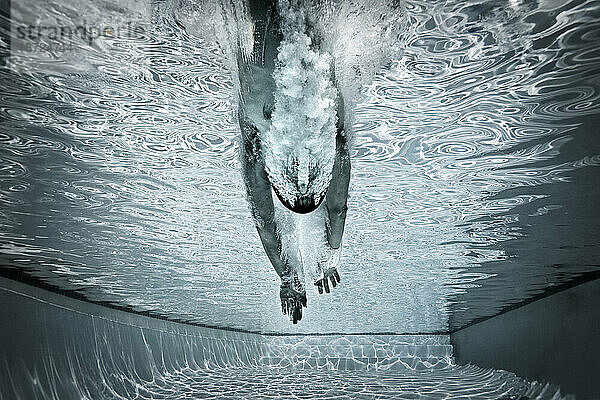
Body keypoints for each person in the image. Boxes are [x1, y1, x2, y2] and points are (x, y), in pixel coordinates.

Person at [237, 0, 350, 323]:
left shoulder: (329, 133)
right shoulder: (259, 146)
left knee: (306, 22)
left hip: (288, 76)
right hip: (262, 79)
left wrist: (328, 256)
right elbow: (266, 224)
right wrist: (289, 276)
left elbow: (338, 208)